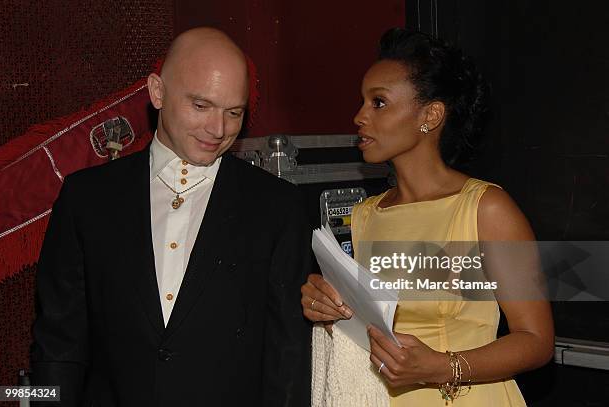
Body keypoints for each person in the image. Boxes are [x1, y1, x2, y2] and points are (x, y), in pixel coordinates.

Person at [31, 27, 311, 407]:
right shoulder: (87, 199)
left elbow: (288, 358)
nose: (219, 129)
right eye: (201, 106)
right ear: (157, 92)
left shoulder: (279, 207)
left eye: (234, 112)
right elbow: (58, 346)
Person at [302, 28, 554, 406]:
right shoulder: (364, 216)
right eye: (362, 102)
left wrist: (440, 367)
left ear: (430, 115)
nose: (359, 116)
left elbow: (536, 341)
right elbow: (366, 328)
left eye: (379, 103)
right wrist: (325, 307)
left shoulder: (486, 208)